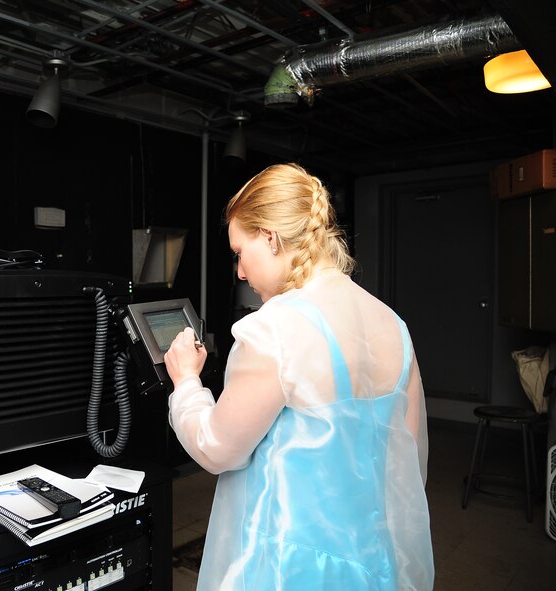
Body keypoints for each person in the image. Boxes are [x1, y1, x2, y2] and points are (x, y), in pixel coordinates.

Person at [163, 163, 434, 590]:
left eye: (240, 253)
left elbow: (217, 449)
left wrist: (186, 383)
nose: (240, 272)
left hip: (288, 569)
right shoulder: (393, 325)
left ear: (270, 238)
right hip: (377, 565)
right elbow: (410, 466)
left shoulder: (275, 327)